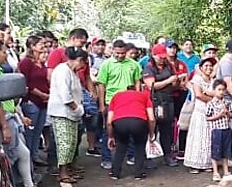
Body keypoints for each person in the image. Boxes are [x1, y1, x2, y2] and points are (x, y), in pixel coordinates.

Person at [0, 39, 35, 187]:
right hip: (5, 118)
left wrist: (20, 116)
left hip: (10, 115)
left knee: (23, 154)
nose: (6, 55)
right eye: (3, 52)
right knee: (10, 157)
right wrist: (4, 126)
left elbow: (7, 100)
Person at [97, 39, 143, 169]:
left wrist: (138, 98)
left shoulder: (134, 64)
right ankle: (106, 158)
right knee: (108, 129)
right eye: (117, 53)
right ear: (112, 51)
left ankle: (131, 155)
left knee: (131, 129)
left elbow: (137, 82)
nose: (120, 55)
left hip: (129, 102)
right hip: (111, 101)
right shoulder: (106, 65)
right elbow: (102, 85)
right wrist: (101, 104)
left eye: (123, 53)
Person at [48, 47, 88, 184]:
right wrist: (77, 109)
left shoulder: (72, 71)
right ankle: (62, 171)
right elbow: (66, 95)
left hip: (72, 112)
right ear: (80, 60)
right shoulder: (62, 71)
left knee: (72, 143)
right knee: (64, 143)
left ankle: (68, 168)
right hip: (62, 112)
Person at [142, 42, 186, 167]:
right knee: (151, 129)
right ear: (154, 55)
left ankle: (168, 155)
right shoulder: (149, 67)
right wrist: (169, 80)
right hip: (153, 100)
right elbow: (152, 86)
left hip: (167, 100)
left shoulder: (168, 66)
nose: (162, 59)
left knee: (167, 129)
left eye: (163, 57)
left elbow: (173, 83)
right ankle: (147, 157)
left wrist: (178, 81)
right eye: (159, 57)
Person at [106, 85, 156, 180]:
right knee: (140, 145)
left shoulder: (116, 96)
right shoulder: (144, 96)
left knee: (121, 145)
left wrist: (110, 136)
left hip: (120, 122)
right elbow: (152, 118)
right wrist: (151, 133)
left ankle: (115, 173)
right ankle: (139, 173)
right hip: (139, 121)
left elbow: (109, 121)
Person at [18, 35, 50, 166]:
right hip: (31, 101)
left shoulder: (41, 63)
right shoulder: (26, 63)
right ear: (32, 47)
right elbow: (25, 83)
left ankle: (35, 155)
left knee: (38, 130)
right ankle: (28, 159)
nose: (43, 46)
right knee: (30, 132)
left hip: (43, 102)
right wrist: (40, 94)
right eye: (40, 44)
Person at [184, 57, 219, 173]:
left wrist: (211, 95)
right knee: (198, 137)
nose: (209, 68)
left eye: (210, 66)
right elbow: (199, 95)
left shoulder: (214, 81)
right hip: (200, 112)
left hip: (211, 113)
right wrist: (212, 98)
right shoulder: (197, 79)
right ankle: (195, 164)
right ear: (201, 68)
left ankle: (207, 163)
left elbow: (220, 94)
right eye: (206, 66)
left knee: (209, 138)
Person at [206, 80, 232, 182]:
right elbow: (207, 117)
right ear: (214, 90)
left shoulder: (228, 103)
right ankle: (215, 172)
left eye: (223, 90)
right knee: (216, 150)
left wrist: (227, 113)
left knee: (226, 150)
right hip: (217, 130)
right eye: (219, 89)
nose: (221, 92)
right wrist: (218, 115)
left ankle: (226, 170)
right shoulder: (211, 103)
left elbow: (231, 115)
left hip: (226, 129)